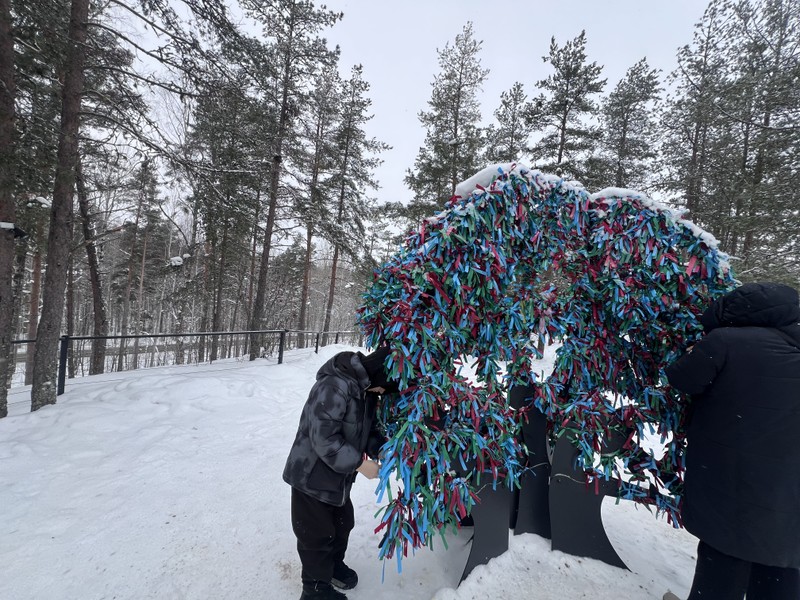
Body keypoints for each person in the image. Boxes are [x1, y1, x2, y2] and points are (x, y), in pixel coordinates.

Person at [665, 282, 800, 600]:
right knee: (781, 563)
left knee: (723, 561)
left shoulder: (725, 341)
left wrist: (692, 351)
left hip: (734, 480)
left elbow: (681, 377)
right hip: (790, 489)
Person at [283, 345, 397, 600]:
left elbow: (367, 431)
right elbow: (323, 438)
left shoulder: (366, 391)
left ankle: (332, 567)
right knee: (316, 534)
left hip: (338, 476)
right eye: (383, 388)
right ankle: (315, 590)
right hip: (311, 475)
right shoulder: (335, 385)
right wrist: (360, 464)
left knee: (343, 523)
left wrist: (380, 449)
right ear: (378, 376)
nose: (381, 393)